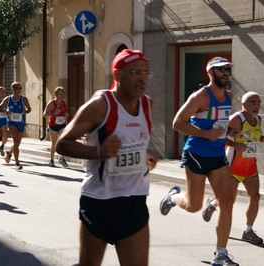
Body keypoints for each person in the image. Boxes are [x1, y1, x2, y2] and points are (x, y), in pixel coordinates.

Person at [56, 49, 158, 266]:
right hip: (100, 201)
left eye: (146, 73)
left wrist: (143, 158)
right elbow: (62, 144)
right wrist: (99, 152)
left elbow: (131, 144)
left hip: (135, 201)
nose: (142, 78)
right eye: (135, 72)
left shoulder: (147, 104)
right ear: (118, 75)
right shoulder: (100, 105)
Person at [159, 57, 238, 266]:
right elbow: (177, 123)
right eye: (222, 70)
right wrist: (205, 133)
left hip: (217, 155)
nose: (226, 73)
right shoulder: (201, 96)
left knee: (228, 202)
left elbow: (219, 124)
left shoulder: (229, 97)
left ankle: (220, 254)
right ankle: (173, 197)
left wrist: (228, 134)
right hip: (196, 154)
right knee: (193, 206)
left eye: (228, 70)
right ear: (211, 73)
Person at [202, 91, 263, 245]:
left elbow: (256, 136)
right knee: (228, 202)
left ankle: (248, 231)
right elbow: (218, 137)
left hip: (250, 167)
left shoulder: (258, 119)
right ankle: (212, 203)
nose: (257, 106)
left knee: (255, 197)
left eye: (258, 103)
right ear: (244, 105)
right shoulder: (236, 119)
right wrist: (236, 144)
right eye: (253, 103)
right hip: (232, 167)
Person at [0, 82, 31, 171]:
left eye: (20, 88)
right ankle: (17, 163)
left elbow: (29, 109)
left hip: (21, 122)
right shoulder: (8, 99)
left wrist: (25, 111)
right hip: (11, 122)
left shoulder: (23, 99)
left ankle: (9, 152)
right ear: (12, 89)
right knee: (15, 141)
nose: (19, 90)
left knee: (17, 143)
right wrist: (6, 112)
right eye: (17, 88)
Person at [43, 86, 69, 167]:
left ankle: (62, 158)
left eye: (62, 94)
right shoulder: (51, 103)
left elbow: (66, 112)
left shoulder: (64, 102)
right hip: (53, 125)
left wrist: (67, 115)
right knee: (54, 143)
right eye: (59, 94)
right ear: (56, 95)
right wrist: (53, 113)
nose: (61, 96)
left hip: (62, 125)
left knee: (63, 142)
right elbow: (44, 114)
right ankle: (51, 159)